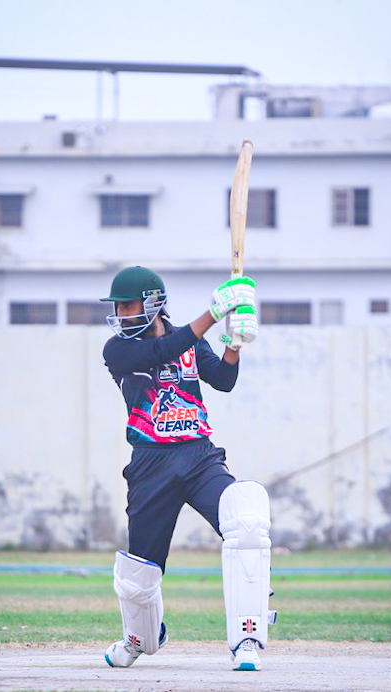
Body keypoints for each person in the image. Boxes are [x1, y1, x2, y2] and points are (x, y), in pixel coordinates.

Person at [100, 266, 273, 672]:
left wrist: (234, 344)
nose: (121, 314)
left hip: (199, 457)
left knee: (245, 521)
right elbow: (161, 352)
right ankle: (140, 636)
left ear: (153, 304)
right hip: (151, 464)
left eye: (128, 305)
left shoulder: (190, 341)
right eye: (118, 307)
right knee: (139, 573)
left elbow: (223, 380)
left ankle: (247, 638)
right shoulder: (118, 350)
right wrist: (214, 313)